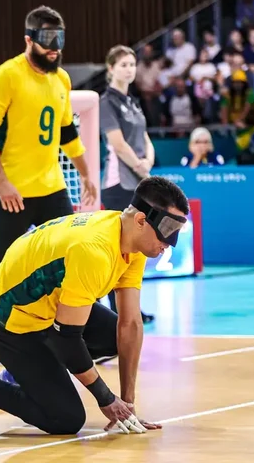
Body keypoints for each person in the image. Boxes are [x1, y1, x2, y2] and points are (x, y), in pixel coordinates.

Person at [0, 176, 189, 437]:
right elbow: (67, 339)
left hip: (49, 307)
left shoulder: (131, 241)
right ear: (140, 220)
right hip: (7, 321)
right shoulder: (94, 251)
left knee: (114, 337)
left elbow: (130, 325)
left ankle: (24, 374)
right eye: (166, 233)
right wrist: (106, 398)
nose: (168, 244)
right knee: (65, 419)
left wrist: (127, 405)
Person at [0, 5, 97, 367]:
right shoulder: (6, 76)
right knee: (4, 264)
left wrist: (86, 174)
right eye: (46, 39)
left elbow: (66, 132)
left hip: (52, 187)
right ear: (29, 39)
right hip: (12, 191)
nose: (55, 47)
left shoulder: (61, 80)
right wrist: (2, 180)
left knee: (72, 254)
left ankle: (76, 337)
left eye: (59, 38)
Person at [100, 45, 157, 325]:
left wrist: (148, 161)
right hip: (118, 182)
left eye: (132, 64)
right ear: (110, 68)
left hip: (138, 179)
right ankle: (114, 311)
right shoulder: (106, 102)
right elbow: (118, 143)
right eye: (123, 64)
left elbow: (145, 137)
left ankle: (132, 309)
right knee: (119, 248)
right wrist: (139, 166)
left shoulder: (133, 102)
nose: (129, 69)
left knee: (135, 249)